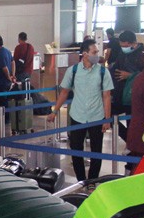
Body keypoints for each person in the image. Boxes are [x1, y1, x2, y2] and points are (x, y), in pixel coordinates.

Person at [48, 40, 114, 184]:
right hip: (77, 115)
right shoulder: (73, 71)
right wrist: (55, 111)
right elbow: (64, 92)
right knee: (76, 149)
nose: (97, 55)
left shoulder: (103, 71)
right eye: (94, 52)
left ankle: (92, 181)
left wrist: (107, 119)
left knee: (96, 151)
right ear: (85, 54)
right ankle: (81, 181)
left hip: (97, 116)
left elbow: (106, 96)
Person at [111, 30, 144, 141]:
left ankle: (132, 143)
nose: (123, 48)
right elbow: (115, 70)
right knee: (107, 115)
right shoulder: (122, 54)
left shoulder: (143, 56)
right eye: (121, 46)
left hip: (134, 97)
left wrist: (130, 76)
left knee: (132, 125)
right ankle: (128, 139)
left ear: (133, 43)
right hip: (120, 94)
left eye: (125, 46)